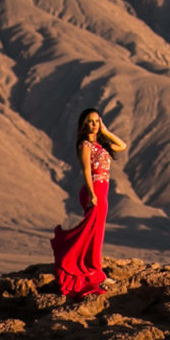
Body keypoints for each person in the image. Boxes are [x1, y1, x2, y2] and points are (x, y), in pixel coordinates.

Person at [50, 108, 124, 298]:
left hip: (103, 190)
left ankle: (91, 268)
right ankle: (95, 272)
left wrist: (105, 132)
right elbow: (86, 171)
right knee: (93, 232)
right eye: (90, 122)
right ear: (84, 125)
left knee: (96, 232)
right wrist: (92, 194)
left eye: (97, 121)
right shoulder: (85, 145)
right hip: (94, 191)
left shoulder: (102, 143)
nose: (94, 125)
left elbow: (122, 146)